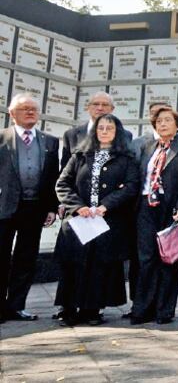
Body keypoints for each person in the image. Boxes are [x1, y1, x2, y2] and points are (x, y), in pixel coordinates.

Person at [53, 114, 140, 326]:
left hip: (106, 221)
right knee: (74, 264)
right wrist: (78, 206)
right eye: (100, 127)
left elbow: (131, 186)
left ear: (117, 132)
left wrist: (106, 205)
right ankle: (69, 309)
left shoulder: (126, 159)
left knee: (99, 266)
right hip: (79, 221)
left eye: (109, 128)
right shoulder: (80, 156)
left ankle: (92, 310)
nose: (104, 131)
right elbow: (62, 184)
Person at [130, 106, 178, 325]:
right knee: (145, 258)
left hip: (171, 209)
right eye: (159, 121)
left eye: (168, 120)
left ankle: (164, 310)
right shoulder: (148, 146)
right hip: (146, 206)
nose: (163, 124)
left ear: (177, 125)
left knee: (169, 258)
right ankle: (142, 308)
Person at [0, 94, 59, 323]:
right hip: (4, 207)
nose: (30, 113)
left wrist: (52, 208)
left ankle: (16, 306)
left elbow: (53, 176)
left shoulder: (50, 142)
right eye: (24, 109)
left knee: (26, 258)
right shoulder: (2, 138)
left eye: (34, 109)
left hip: (34, 208)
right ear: (11, 113)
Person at [61, 91, 133, 171]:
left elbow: (128, 165)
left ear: (112, 109)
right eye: (95, 104)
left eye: (105, 105)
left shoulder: (125, 135)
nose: (100, 108)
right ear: (88, 107)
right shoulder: (71, 135)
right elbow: (65, 169)